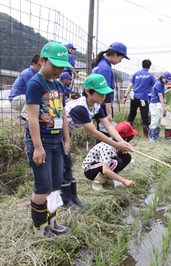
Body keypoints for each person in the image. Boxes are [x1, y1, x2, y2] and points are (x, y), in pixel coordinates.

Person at [62, 73, 134, 207]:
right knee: (63, 166)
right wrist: (117, 144)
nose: (103, 97)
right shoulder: (80, 107)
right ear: (88, 91)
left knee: (66, 166)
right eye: (100, 93)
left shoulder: (96, 105)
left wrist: (121, 142)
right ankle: (65, 199)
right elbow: (94, 132)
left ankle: (72, 198)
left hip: (66, 133)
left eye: (105, 93)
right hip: (57, 133)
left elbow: (107, 125)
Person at [25, 42, 72, 237]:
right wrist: (37, 147)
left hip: (56, 142)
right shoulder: (35, 84)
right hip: (41, 141)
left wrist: (66, 140)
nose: (58, 70)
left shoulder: (59, 86)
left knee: (55, 185)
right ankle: (39, 227)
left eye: (61, 67)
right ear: (42, 61)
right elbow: (32, 118)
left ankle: (52, 221)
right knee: (42, 187)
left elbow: (62, 113)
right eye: (54, 66)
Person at [82, 122, 138, 190]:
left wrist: (122, 150)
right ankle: (96, 183)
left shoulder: (115, 143)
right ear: (126, 139)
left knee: (127, 157)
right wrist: (125, 181)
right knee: (116, 162)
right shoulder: (108, 147)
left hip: (101, 165)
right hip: (90, 170)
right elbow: (105, 170)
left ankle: (114, 178)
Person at [92, 42, 130, 128]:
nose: (120, 61)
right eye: (121, 58)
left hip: (97, 104)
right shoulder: (105, 68)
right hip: (102, 105)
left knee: (101, 129)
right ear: (115, 54)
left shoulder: (99, 64)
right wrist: (109, 112)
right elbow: (105, 91)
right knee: (105, 131)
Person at [122, 59, 156, 138]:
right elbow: (154, 87)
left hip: (134, 97)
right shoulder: (150, 76)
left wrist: (125, 96)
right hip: (144, 98)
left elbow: (130, 85)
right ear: (149, 66)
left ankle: (128, 132)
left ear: (142, 65)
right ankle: (146, 134)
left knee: (132, 114)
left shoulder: (136, 74)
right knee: (144, 116)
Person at [148, 71, 171, 141]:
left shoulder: (162, 84)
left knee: (158, 121)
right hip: (155, 104)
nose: (167, 81)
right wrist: (164, 107)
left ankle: (156, 136)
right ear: (163, 78)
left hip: (158, 104)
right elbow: (160, 95)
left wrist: (163, 104)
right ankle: (151, 137)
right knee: (154, 120)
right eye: (166, 80)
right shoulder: (159, 84)